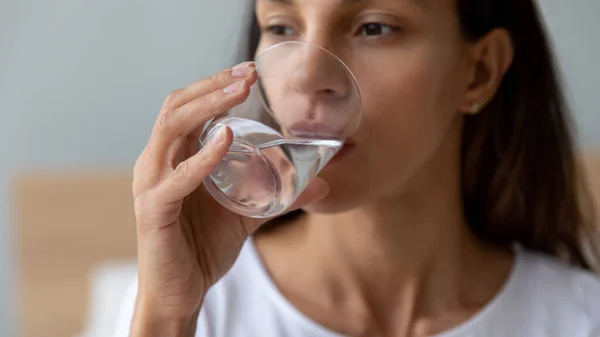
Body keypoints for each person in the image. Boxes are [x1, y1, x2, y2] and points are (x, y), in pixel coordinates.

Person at [114, 0, 600, 336]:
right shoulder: (195, 309)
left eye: (375, 27)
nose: (306, 76)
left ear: (479, 73)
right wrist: (168, 317)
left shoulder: (581, 318)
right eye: (282, 27)